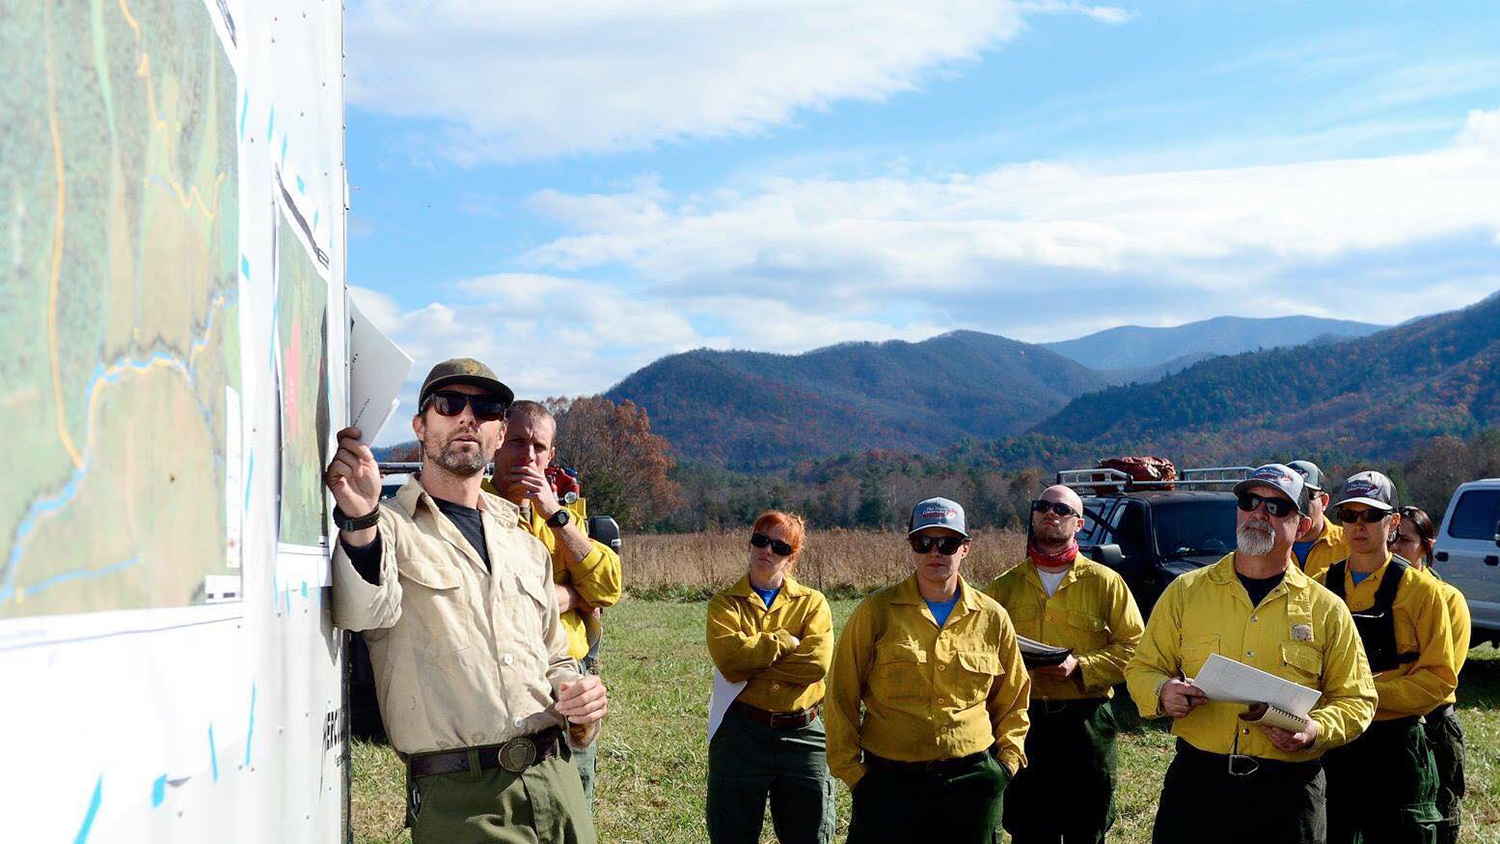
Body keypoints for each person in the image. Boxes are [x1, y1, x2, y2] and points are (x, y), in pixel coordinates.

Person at [326, 358, 606, 844]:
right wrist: (358, 516)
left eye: (487, 408)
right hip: (462, 800)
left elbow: (556, 656)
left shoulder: (524, 541)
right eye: (448, 403)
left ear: (499, 434)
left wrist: (580, 704)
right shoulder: (389, 526)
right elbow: (362, 612)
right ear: (420, 425)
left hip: (557, 783)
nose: (467, 417)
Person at [1124, 464, 1376, 844]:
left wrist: (1315, 729)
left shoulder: (1327, 609)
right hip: (1198, 785)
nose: (1260, 513)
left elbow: (1357, 699)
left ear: (1303, 525)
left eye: (1277, 508)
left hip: (1288, 794)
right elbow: (1141, 668)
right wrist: (1163, 692)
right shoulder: (1185, 592)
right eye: (1250, 501)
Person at [825, 497, 1030, 844]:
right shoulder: (876, 611)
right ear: (911, 547)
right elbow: (840, 694)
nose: (935, 552)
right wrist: (854, 774)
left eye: (947, 543)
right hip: (889, 783)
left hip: (972, 782)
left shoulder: (992, 616)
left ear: (965, 548)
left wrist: (1006, 764)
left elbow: (1014, 698)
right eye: (924, 542)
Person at [983, 484, 1144, 844]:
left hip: (1086, 721)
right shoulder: (1004, 586)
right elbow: (983, 649)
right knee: (1028, 825)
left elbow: (1136, 648)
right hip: (1024, 720)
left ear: (1080, 524)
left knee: (1086, 825)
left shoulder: (1106, 583)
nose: (1050, 513)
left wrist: (1081, 666)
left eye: (1062, 509)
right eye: (1042, 506)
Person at [484, 400, 623, 803]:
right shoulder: (474, 508)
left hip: (567, 677)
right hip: (503, 677)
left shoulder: (562, 517)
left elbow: (610, 587)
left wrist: (555, 514)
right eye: (517, 442)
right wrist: (572, 596)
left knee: (572, 801)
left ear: (551, 455)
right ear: (496, 442)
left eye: (538, 447)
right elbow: (502, 598)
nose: (528, 456)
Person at [1315, 478, 1457, 844]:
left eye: (1371, 515)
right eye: (1349, 514)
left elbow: (1439, 680)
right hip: (1334, 742)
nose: (1358, 524)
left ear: (1393, 523)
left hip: (1397, 747)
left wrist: (1362, 696)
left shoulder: (1422, 592)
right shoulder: (1317, 587)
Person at [705, 511, 836, 844]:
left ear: (791, 557)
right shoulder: (724, 604)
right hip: (741, 734)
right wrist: (786, 641)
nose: (767, 551)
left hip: (804, 735)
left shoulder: (812, 603)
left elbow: (816, 665)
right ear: (749, 544)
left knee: (811, 835)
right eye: (761, 541)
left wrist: (754, 659)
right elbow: (730, 661)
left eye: (780, 547)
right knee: (731, 833)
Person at [1395, 506, 1471, 844]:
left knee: (1438, 819)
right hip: (1383, 731)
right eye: (1392, 538)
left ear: (1427, 546)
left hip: (1433, 729)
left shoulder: (1447, 598)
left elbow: (1442, 675)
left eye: (1406, 541)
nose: (1396, 547)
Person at [1288, 460, 1350, 578]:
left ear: (1324, 501)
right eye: (1290, 496)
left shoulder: (1351, 544)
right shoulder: (1266, 545)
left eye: (1306, 496)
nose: (1298, 504)